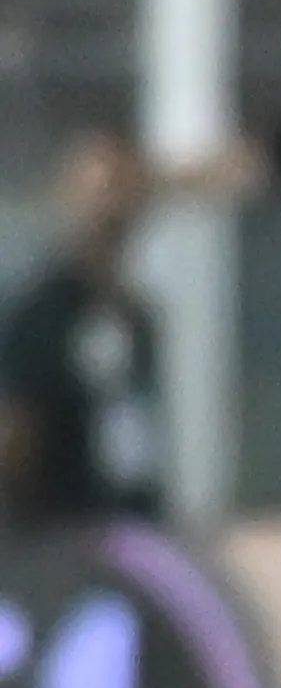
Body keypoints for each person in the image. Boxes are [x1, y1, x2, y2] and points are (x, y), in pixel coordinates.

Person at [0, 129, 160, 528]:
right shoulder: (44, 311)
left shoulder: (136, 314)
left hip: (128, 516)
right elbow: (17, 427)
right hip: (61, 526)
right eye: (99, 194)